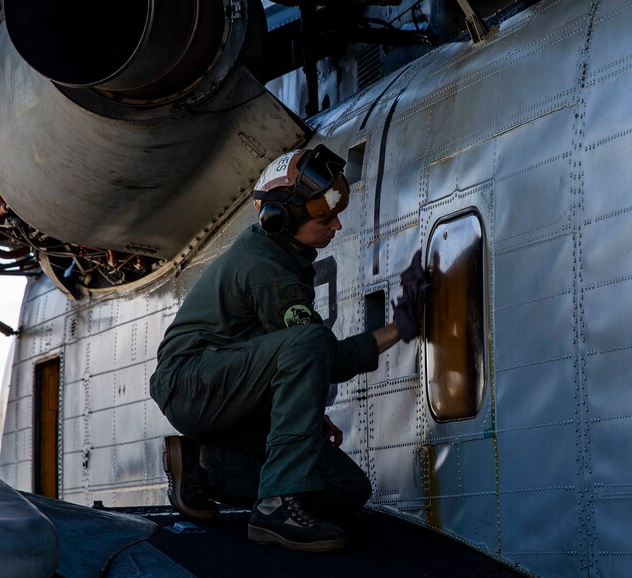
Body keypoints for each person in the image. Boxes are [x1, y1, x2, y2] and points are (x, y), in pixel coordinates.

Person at [148, 144, 427, 552]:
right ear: (281, 220)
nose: (337, 228)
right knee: (311, 340)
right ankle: (277, 507)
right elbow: (319, 354)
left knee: (346, 489)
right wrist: (401, 328)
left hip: (228, 388)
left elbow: (287, 360)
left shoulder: (283, 254)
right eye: (325, 219)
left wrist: (304, 413)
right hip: (192, 384)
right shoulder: (266, 268)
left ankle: (204, 468)